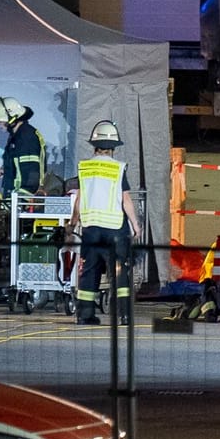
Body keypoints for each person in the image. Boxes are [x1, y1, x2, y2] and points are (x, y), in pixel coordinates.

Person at [68, 120, 140, 325]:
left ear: (94, 145)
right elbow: (125, 199)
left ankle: (85, 315)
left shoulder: (85, 168)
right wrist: (135, 225)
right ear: (114, 147)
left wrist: (72, 225)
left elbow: (79, 200)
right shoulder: (118, 168)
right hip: (115, 229)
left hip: (91, 229)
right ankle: (123, 315)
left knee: (89, 271)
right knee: (119, 272)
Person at [0, 97, 44, 200]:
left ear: (13, 118)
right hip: (14, 198)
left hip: (20, 201)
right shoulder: (17, 136)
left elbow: (31, 173)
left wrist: (21, 201)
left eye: (0, 120)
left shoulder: (26, 137)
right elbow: (20, 167)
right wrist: (5, 170)